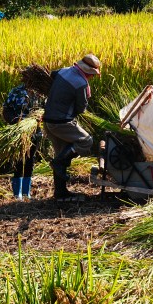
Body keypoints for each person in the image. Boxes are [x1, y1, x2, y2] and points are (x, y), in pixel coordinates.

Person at [43, 53, 101, 200]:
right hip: (62, 122)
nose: (92, 77)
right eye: (92, 75)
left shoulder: (64, 71)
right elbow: (81, 109)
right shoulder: (81, 83)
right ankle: (58, 163)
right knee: (86, 141)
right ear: (89, 72)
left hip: (48, 120)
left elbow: (52, 75)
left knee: (61, 152)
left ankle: (60, 193)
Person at [3, 83, 42, 200]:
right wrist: (15, 121)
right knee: (19, 161)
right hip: (19, 131)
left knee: (30, 160)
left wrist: (41, 117)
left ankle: (26, 193)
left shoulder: (40, 94)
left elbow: (46, 110)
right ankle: (17, 194)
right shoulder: (16, 91)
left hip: (35, 131)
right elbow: (6, 109)